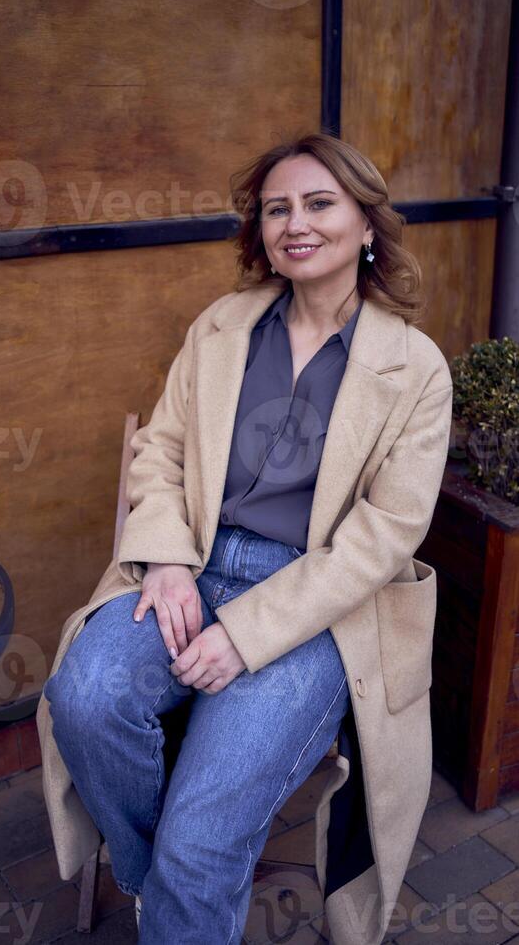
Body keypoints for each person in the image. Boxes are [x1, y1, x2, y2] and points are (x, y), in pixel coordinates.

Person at [37, 131, 453, 945]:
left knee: (203, 837)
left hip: (314, 604)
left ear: (368, 225)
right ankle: (159, 883)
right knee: (82, 699)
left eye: (319, 203)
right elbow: (161, 448)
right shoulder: (224, 325)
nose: (294, 223)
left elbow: (384, 538)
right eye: (276, 209)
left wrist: (247, 633)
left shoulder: (416, 368)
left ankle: (179, 879)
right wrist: (162, 561)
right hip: (190, 563)